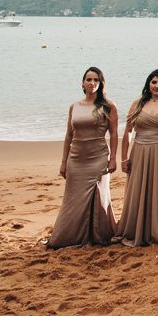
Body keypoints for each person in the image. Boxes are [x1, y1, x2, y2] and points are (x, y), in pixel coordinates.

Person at [46, 66, 118, 248]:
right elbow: (69, 135)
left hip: (98, 157)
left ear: (101, 84)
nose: (92, 83)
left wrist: (113, 159)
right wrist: (64, 162)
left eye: (96, 80)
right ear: (83, 83)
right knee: (73, 200)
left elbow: (114, 134)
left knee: (99, 198)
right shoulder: (74, 106)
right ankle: (69, 236)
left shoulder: (108, 106)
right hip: (76, 159)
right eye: (88, 80)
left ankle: (97, 236)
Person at [119, 68, 158, 246]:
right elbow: (128, 132)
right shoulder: (138, 103)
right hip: (139, 150)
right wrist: (124, 158)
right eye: (154, 82)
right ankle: (138, 228)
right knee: (138, 187)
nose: (157, 86)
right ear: (148, 83)